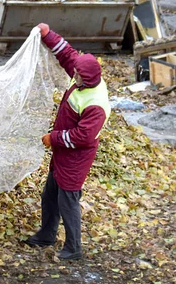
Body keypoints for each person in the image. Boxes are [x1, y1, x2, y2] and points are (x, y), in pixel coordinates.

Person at [24, 23, 111, 260]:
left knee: (68, 200)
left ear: (89, 78)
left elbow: (82, 136)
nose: (74, 76)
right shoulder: (83, 75)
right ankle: (47, 234)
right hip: (63, 153)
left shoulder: (96, 103)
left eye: (79, 75)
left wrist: (53, 138)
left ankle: (73, 247)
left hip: (76, 158)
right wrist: (47, 34)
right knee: (50, 195)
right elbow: (67, 55)